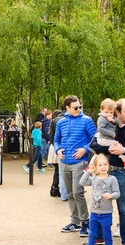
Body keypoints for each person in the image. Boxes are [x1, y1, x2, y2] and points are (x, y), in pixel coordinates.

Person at [89, 98, 125, 245]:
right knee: (99, 206)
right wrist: (111, 146)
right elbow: (93, 145)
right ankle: (99, 237)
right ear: (117, 112)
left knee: (124, 209)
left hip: (122, 172)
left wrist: (124, 151)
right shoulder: (106, 127)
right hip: (103, 173)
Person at [54, 95, 97, 236]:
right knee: (70, 193)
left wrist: (85, 149)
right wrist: (58, 149)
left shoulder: (87, 121)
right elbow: (56, 140)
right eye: (75, 107)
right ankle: (75, 221)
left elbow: (95, 139)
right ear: (67, 108)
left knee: (78, 192)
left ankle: (85, 222)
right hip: (64, 161)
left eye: (80, 107)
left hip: (79, 162)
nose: (79, 109)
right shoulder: (61, 122)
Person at [79, 154, 120, 245]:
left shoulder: (112, 179)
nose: (103, 167)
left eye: (105, 164)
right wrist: (89, 171)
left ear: (108, 165)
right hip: (94, 212)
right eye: (100, 165)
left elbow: (117, 193)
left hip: (106, 213)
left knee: (107, 234)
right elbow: (82, 182)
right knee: (92, 234)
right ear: (96, 167)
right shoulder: (94, 179)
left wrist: (111, 195)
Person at [94, 99, 125, 170]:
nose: (109, 114)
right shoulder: (102, 119)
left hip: (120, 170)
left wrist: (113, 120)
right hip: (104, 139)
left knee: (117, 147)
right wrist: (112, 135)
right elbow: (92, 146)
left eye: (111, 112)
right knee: (117, 145)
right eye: (106, 112)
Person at [48, 110, 68, 200]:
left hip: (55, 147)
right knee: (61, 170)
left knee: (57, 170)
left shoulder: (54, 121)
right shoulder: (65, 120)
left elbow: (52, 137)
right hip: (62, 148)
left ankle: (54, 188)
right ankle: (59, 190)